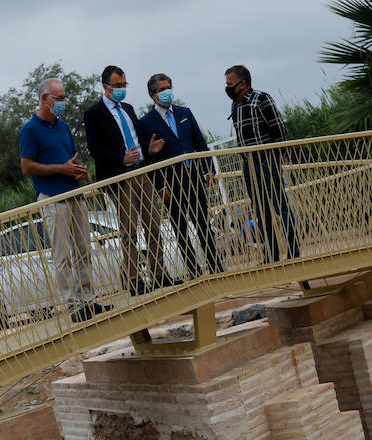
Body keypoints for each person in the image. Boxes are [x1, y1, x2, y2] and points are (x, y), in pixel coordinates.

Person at [83, 65, 174, 296]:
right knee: (128, 231)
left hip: (142, 173)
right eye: (118, 85)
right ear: (106, 87)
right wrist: (121, 159)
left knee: (153, 225)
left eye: (124, 84)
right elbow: (95, 149)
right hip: (120, 177)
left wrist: (150, 150)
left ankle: (159, 274)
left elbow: (138, 138)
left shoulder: (128, 109)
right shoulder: (94, 114)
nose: (122, 89)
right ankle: (134, 280)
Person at [19, 76, 96, 321]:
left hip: (75, 194)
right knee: (63, 255)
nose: (63, 102)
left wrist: (79, 170)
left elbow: (71, 159)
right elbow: (27, 167)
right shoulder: (30, 130)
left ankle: (89, 300)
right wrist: (60, 169)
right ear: (45, 99)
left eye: (64, 97)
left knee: (84, 250)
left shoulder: (62, 126)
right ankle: (73, 306)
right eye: (59, 98)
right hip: (52, 198)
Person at [139, 73, 224, 277]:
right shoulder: (145, 122)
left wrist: (208, 170)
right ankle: (193, 270)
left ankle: (216, 266)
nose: (166, 92)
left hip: (193, 177)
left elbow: (200, 143)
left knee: (203, 223)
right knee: (181, 229)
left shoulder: (184, 112)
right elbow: (149, 159)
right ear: (152, 95)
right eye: (161, 89)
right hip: (170, 183)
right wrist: (160, 186)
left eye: (168, 87)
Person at [225, 64, 301, 264]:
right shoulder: (236, 105)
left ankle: (294, 252)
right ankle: (271, 254)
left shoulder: (261, 98)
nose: (228, 88)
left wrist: (279, 154)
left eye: (230, 84)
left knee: (280, 207)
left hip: (268, 160)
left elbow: (278, 128)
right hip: (249, 164)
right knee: (261, 210)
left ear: (242, 84)